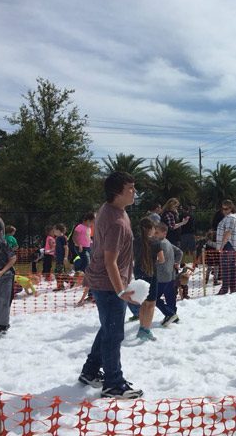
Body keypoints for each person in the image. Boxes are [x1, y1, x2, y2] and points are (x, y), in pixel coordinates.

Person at [78, 171, 143, 399]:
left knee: (108, 327)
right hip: (108, 285)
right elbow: (110, 261)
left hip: (106, 281)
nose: (134, 192)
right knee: (114, 334)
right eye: (131, 189)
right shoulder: (116, 221)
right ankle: (113, 384)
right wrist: (121, 291)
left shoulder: (111, 210)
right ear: (117, 193)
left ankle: (90, 371)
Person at [133, 217, 164, 341]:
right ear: (150, 229)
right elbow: (162, 259)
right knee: (151, 303)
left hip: (138, 273)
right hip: (151, 273)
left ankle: (142, 326)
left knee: (143, 302)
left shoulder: (135, 241)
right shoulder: (156, 242)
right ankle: (146, 329)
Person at [152, 222, 184, 326]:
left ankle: (170, 314)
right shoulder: (167, 242)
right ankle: (173, 316)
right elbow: (179, 252)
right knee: (170, 297)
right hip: (171, 274)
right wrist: (176, 262)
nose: (154, 235)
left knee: (154, 298)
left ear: (164, 233)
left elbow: (160, 259)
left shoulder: (161, 244)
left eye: (157, 233)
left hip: (162, 276)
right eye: (154, 232)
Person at [216, 200, 236, 294]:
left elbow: (228, 232)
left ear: (231, 208)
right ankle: (235, 288)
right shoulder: (235, 217)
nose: (224, 211)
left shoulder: (230, 218)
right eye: (223, 209)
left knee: (225, 267)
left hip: (228, 245)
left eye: (226, 209)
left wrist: (221, 246)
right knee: (231, 266)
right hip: (232, 246)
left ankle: (224, 289)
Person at [53, 223, 70, 291]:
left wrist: (65, 257)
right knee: (58, 272)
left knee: (59, 272)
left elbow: (66, 248)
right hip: (58, 258)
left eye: (54, 230)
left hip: (61, 258)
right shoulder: (57, 238)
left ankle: (68, 281)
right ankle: (66, 283)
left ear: (59, 230)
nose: (54, 232)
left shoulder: (63, 238)